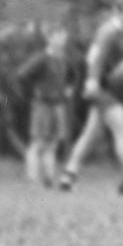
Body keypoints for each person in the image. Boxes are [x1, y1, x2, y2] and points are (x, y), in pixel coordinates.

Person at [59, 0, 123, 194]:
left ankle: (69, 173)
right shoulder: (107, 32)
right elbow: (95, 59)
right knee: (121, 129)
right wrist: (92, 82)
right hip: (103, 89)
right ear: (117, 13)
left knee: (94, 134)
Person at [15, 29, 73, 189]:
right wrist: (35, 92)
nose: (62, 40)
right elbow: (22, 75)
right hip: (42, 105)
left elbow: (70, 78)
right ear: (50, 38)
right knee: (38, 142)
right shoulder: (42, 59)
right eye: (59, 36)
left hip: (57, 105)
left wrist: (68, 89)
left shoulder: (62, 59)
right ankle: (32, 179)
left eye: (64, 37)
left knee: (53, 143)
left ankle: (48, 179)